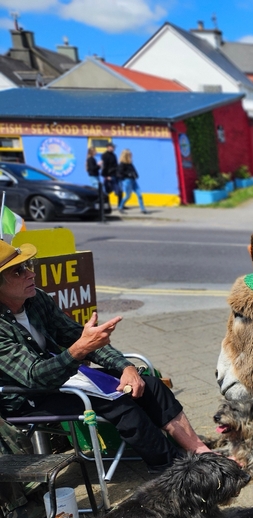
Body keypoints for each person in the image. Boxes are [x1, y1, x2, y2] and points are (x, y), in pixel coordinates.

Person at [0, 240, 213, 473]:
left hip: (61, 379)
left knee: (148, 384)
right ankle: (173, 471)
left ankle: (202, 452)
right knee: (118, 401)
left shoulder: (36, 300)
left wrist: (126, 367)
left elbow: (82, 338)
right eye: (18, 271)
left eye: (28, 265)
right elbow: (34, 378)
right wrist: (79, 350)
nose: (30, 274)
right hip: (25, 398)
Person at [117, 149, 147, 214]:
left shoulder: (130, 163)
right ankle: (120, 207)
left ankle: (143, 209)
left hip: (134, 181)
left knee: (139, 194)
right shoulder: (122, 164)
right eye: (130, 154)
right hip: (127, 181)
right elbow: (119, 174)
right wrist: (127, 175)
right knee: (128, 196)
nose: (131, 155)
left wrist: (136, 175)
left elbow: (134, 171)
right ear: (126, 155)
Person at [100, 143, 119, 207]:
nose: (113, 148)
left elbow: (116, 165)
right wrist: (106, 176)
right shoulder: (104, 155)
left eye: (114, 147)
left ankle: (120, 205)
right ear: (108, 147)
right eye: (112, 147)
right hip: (108, 175)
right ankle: (105, 204)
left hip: (114, 175)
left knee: (118, 190)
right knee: (106, 191)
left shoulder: (114, 155)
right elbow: (104, 166)